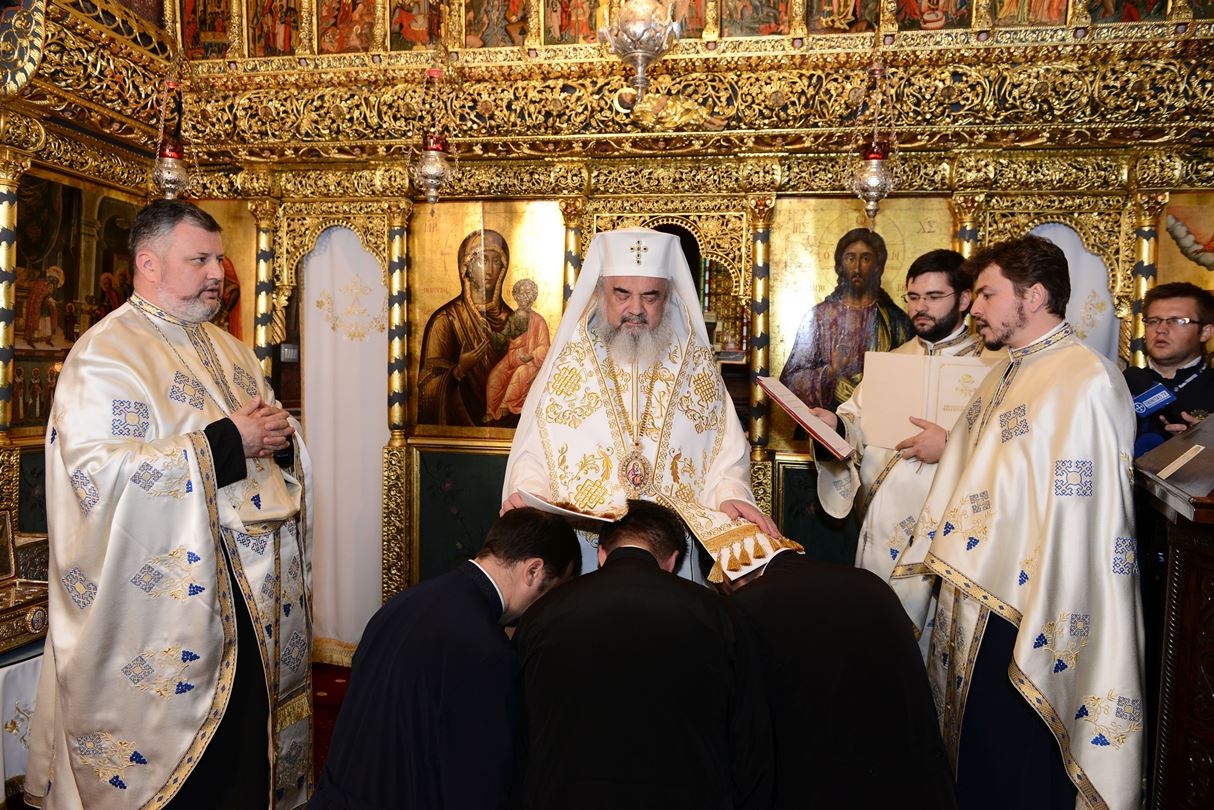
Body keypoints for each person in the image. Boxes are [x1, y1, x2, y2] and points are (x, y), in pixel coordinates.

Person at [26, 200, 313, 810]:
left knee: (242, 758)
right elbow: (99, 477)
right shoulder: (106, 355)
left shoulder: (231, 350)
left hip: (252, 600)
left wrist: (282, 442)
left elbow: (267, 442)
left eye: (219, 260)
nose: (217, 274)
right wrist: (227, 443)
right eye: (199, 260)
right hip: (173, 611)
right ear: (149, 263)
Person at [891, 236, 1143, 809]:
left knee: (1018, 757)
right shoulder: (1006, 371)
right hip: (978, 592)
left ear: (1033, 295)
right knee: (978, 753)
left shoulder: (1085, 379)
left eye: (987, 294)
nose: (974, 308)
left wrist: (1043, 595)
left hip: (1035, 606)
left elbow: (1088, 515)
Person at [501, 228, 779, 581]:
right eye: (622, 294)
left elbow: (724, 460)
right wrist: (531, 497)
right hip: (584, 555)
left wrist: (731, 493)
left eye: (650, 296)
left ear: (668, 296)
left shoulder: (695, 366)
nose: (636, 309)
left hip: (671, 557)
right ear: (601, 292)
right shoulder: (567, 364)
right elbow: (535, 453)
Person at [311, 508, 580, 810]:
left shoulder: (402, 603)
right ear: (533, 571)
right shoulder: (488, 652)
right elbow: (479, 785)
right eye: (553, 594)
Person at [514, 500, 773, 810]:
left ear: (601, 554)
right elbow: (749, 739)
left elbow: (518, 730)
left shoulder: (540, 614)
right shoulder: (720, 615)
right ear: (673, 561)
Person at [724, 544, 957, 809]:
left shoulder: (745, 608)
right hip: (912, 780)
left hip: (823, 783)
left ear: (731, 579)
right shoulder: (869, 582)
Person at [811, 249, 990, 581]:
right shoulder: (893, 361)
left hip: (951, 528)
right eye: (913, 297)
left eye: (933, 297)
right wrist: (836, 425)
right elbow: (857, 422)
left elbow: (1011, 449)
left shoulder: (991, 365)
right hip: (885, 522)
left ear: (965, 299)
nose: (920, 307)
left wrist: (950, 445)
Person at [780, 228, 914, 410]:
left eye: (865, 259)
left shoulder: (895, 320)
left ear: (878, 266)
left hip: (881, 414)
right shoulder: (819, 317)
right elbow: (790, 380)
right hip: (825, 421)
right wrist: (831, 372)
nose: (857, 268)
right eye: (850, 259)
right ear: (840, 265)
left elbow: (911, 377)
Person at [418, 229, 514, 426]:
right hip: (457, 432)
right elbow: (427, 387)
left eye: (496, 261)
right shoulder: (445, 320)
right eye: (482, 260)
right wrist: (459, 370)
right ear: (466, 267)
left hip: (510, 432)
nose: (489, 270)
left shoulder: (514, 321)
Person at [1123, 281, 1214, 456]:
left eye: (1177, 321)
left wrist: (1207, 446)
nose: (1161, 329)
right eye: (1153, 321)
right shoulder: (1118, 385)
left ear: (1205, 332)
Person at [485, 278, 550, 421]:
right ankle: (491, 410)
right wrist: (492, 335)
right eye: (520, 294)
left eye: (527, 294)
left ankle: (505, 406)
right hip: (512, 358)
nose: (523, 297)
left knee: (519, 374)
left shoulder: (539, 321)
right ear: (515, 296)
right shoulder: (513, 317)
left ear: (533, 297)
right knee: (495, 376)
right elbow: (504, 338)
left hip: (531, 362)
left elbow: (545, 347)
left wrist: (531, 355)